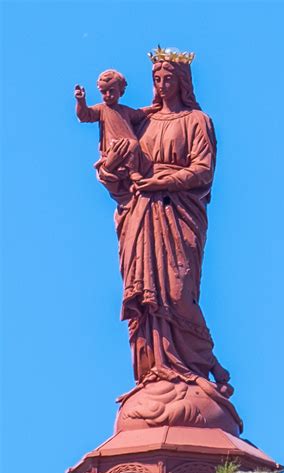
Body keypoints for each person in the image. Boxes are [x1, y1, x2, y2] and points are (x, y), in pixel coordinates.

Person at [89, 48, 239, 431]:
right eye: (156, 77)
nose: (160, 83)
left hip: (177, 213)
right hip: (140, 215)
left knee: (175, 291)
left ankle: (201, 365)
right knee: (144, 296)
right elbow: (119, 167)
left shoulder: (197, 121)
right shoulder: (142, 121)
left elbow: (203, 171)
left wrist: (163, 181)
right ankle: (155, 371)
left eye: (168, 77)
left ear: (182, 81)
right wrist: (110, 172)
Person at [75, 69, 156, 183]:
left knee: (134, 145)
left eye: (112, 91)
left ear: (121, 92)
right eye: (104, 92)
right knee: (126, 147)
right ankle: (119, 170)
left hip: (130, 143)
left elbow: (139, 114)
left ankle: (132, 171)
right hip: (111, 145)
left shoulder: (125, 110)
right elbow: (84, 115)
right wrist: (80, 101)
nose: (108, 95)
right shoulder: (101, 109)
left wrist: (153, 108)